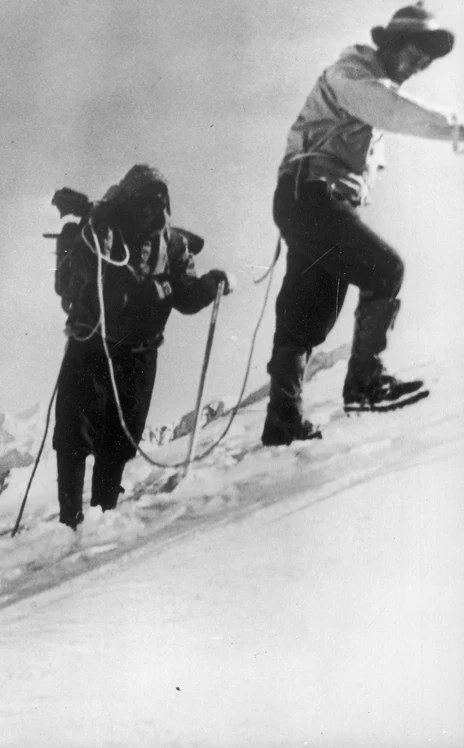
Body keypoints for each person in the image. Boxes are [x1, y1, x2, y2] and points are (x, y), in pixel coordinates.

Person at [262, 2, 460, 446]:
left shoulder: (369, 83)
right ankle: (366, 384)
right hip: (310, 197)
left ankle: (282, 420)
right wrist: (455, 128)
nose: (419, 65)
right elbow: (389, 108)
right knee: (384, 269)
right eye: (414, 53)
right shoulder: (351, 75)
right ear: (390, 45)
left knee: (307, 313)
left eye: (425, 61)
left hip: (311, 202)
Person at [52, 164, 233, 529]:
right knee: (76, 432)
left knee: (118, 440)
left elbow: (184, 293)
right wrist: (159, 289)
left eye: (161, 204)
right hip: (94, 343)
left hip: (136, 350)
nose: (158, 213)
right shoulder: (102, 228)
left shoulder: (171, 241)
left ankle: (103, 516)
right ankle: (70, 522)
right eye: (150, 204)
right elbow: (109, 291)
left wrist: (206, 287)